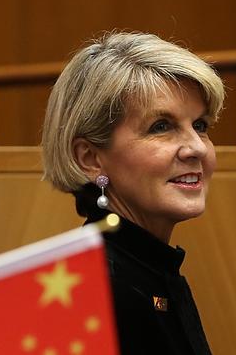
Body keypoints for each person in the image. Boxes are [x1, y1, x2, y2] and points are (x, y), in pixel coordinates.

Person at [41, 32, 225, 354]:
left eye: (200, 125)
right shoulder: (94, 291)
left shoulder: (151, 269)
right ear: (91, 158)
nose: (196, 148)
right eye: (161, 127)